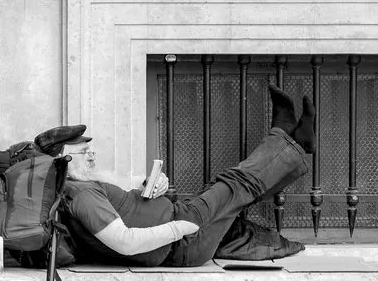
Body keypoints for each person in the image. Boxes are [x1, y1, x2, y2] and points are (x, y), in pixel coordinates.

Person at [35, 85, 315, 267]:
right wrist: (180, 226)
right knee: (235, 185)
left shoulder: (79, 186)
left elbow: (126, 205)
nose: (93, 155)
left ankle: (289, 140)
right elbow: (125, 241)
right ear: (62, 159)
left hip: (179, 223)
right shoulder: (80, 195)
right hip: (181, 240)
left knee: (237, 198)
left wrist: (153, 185)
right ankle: (291, 139)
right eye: (85, 152)